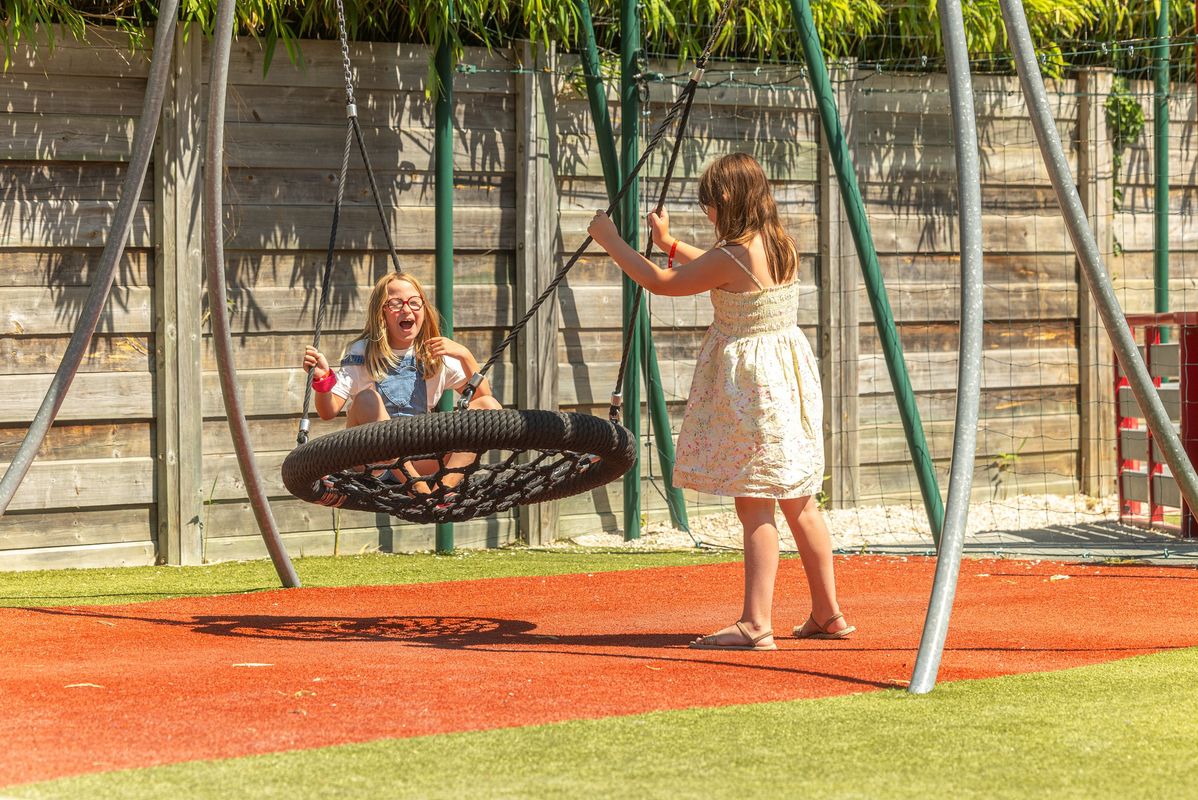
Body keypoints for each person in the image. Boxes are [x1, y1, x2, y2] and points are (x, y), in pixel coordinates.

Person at [586, 152, 853, 650]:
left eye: (709, 203)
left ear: (726, 200)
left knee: (754, 504)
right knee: (800, 502)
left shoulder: (733, 255)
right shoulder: (778, 244)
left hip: (751, 389)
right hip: (786, 381)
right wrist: (669, 243)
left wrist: (612, 242)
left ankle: (756, 623)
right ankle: (827, 612)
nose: (707, 211)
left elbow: (660, 284)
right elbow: (720, 269)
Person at [302, 271, 501, 489]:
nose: (407, 309)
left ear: (423, 309)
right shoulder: (363, 353)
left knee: (489, 407)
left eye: (414, 302)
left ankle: (443, 491)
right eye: (396, 303)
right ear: (382, 313)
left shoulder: (433, 354)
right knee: (368, 399)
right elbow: (327, 411)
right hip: (372, 461)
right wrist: (322, 380)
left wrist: (466, 356)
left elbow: (485, 403)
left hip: (418, 458)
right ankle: (417, 487)